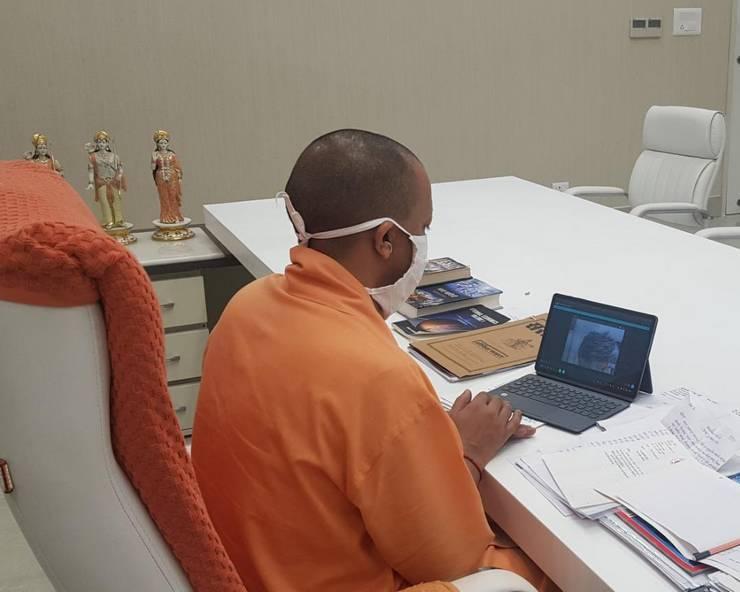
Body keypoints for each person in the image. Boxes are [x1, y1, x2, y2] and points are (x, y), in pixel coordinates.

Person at [192, 129, 557, 592]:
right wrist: (467, 452)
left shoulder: (246, 307)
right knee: (550, 568)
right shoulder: (377, 376)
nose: (423, 241)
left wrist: (430, 446)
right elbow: (456, 561)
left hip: (239, 571)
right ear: (386, 239)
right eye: (421, 229)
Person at [86, 130, 127, 229]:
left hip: (113, 181)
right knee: (104, 202)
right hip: (101, 182)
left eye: (104, 142)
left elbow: (120, 168)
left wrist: (119, 175)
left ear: (107, 144)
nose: (101, 144)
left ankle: (118, 220)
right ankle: (108, 221)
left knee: (116, 200)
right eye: (99, 142)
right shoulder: (93, 157)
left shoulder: (114, 156)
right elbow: (91, 170)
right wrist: (90, 182)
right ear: (97, 144)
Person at [151, 130, 185, 224]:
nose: (163, 145)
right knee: (164, 197)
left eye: (165, 143)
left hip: (172, 177)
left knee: (172, 196)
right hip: (160, 177)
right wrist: (153, 160)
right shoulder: (155, 154)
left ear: (168, 144)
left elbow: (177, 167)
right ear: (157, 144)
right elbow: (153, 168)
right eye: (161, 143)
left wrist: (179, 179)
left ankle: (175, 215)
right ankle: (166, 217)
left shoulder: (172, 154)